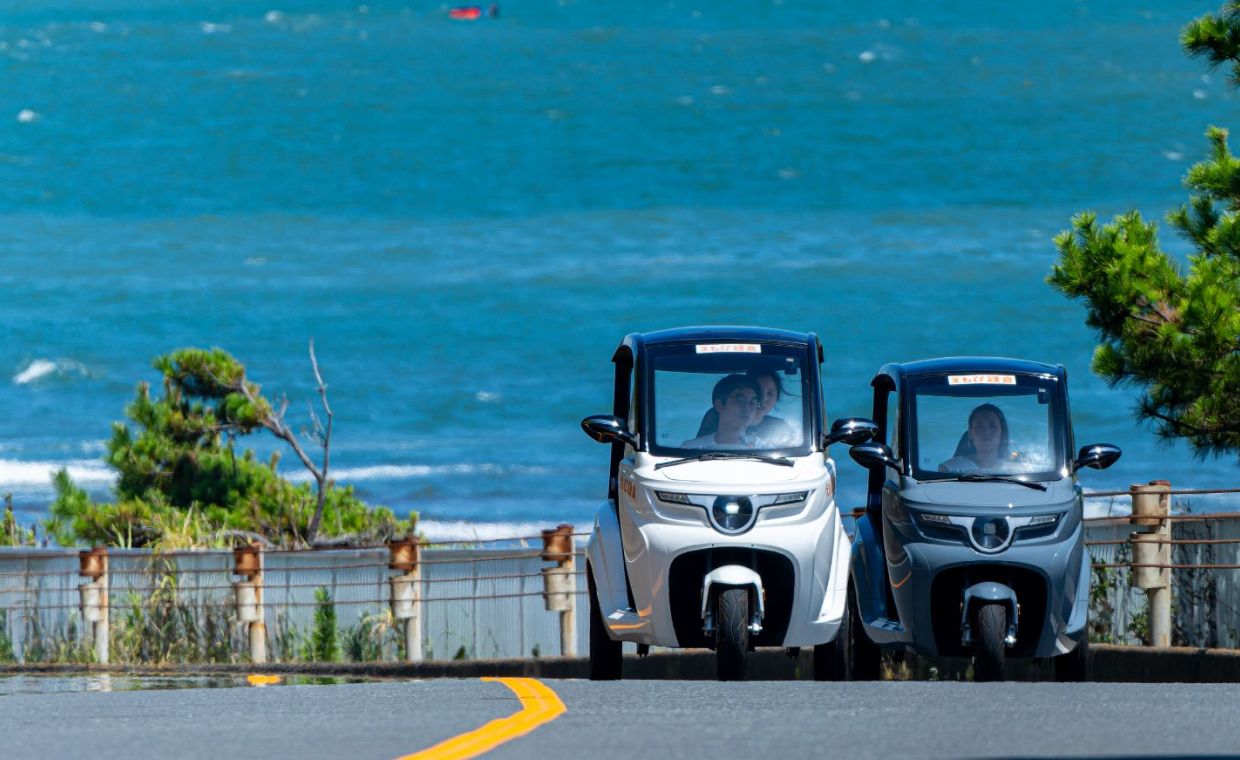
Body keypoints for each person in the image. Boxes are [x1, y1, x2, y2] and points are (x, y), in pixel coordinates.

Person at [695, 369, 795, 446]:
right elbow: (703, 447)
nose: (763, 398)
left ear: (777, 399)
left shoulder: (780, 427)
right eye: (758, 391)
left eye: (770, 393)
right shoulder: (715, 415)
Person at [681, 374, 768, 449]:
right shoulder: (691, 448)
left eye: (753, 402)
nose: (747, 408)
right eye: (740, 400)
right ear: (719, 405)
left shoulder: (764, 450)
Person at [938, 403, 1011, 472]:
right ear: (970, 434)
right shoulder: (949, 469)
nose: (986, 432)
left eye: (992, 426)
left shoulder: (1012, 469)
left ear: (1002, 433)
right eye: (980, 427)